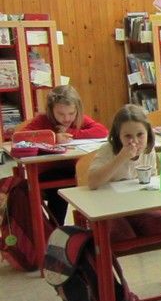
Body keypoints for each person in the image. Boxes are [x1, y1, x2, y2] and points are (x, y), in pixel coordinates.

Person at [87, 105, 161, 242]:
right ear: (118, 136)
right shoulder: (108, 150)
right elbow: (92, 182)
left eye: (140, 135)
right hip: (110, 208)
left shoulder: (148, 150)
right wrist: (121, 158)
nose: (135, 141)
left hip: (137, 206)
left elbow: (151, 182)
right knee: (124, 237)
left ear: (148, 133)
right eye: (128, 136)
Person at [26, 85, 108, 224]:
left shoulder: (77, 119)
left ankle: (93, 226)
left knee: (98, 179)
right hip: (48, 172)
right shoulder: (43, 120)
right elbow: (20, 137)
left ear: (77, 110)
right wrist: (53, 137)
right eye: (61, 114)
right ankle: (56, 227)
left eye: (71, 113)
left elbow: (102, 131)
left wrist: (72, 133)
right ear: (51, 110)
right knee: (59, 190)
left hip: (74, 169)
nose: (67, 118)